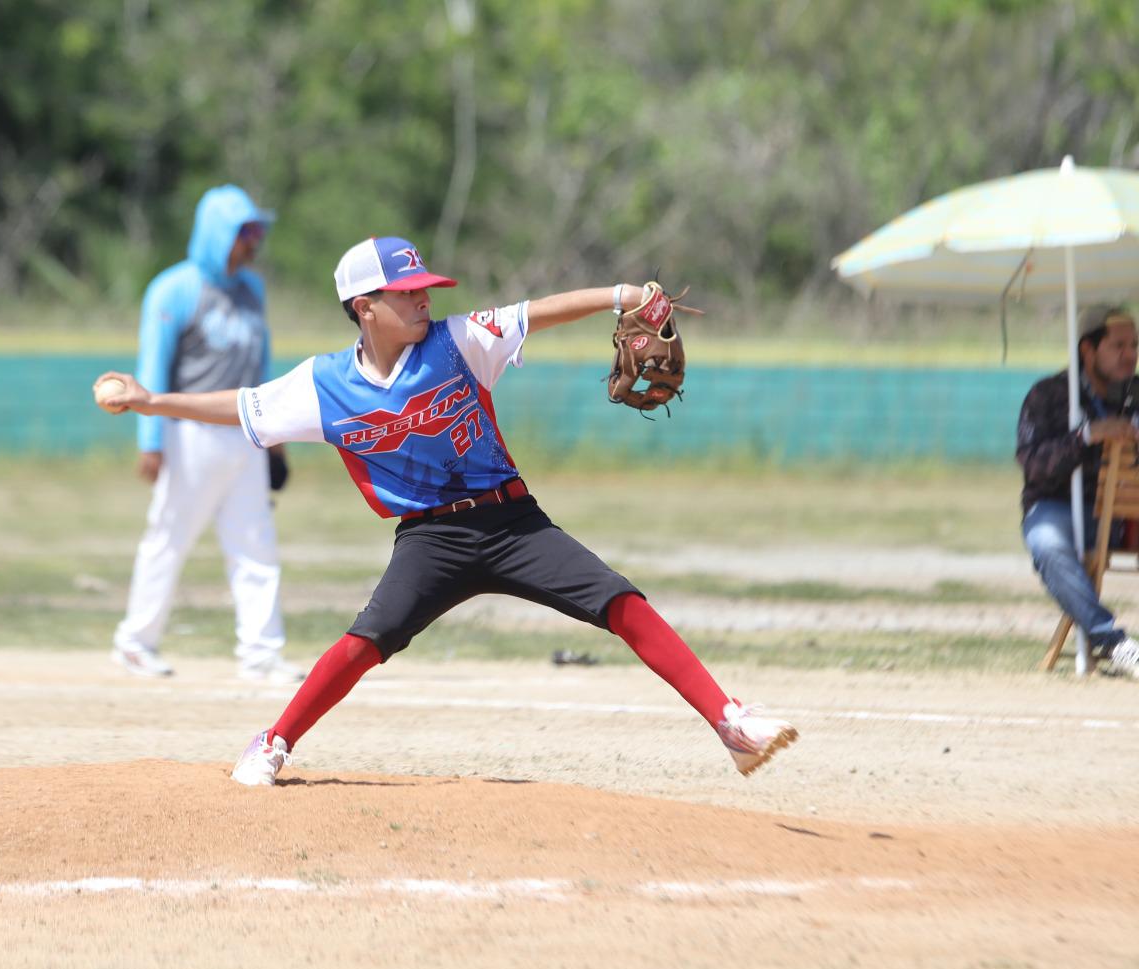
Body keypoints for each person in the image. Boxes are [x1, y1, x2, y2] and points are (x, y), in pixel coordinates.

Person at [94, 236, 799, 786]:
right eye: (406, 293)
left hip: (513, 522)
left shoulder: (459, 341)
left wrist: (622, 295)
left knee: (619, 601)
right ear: (364, 306)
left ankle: (731, 724)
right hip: (431, 539)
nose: (423, 299)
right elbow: (242, 408)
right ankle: (272, 742)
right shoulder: (325, 386)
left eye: (425, 287)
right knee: (366, 641)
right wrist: (151, 402)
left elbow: (541, 309)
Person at [110, 184, 305, 684]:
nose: (254, 241)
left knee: (255, 542)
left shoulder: (251, 290)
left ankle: (261, 653)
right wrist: (149, 442)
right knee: (169, 537)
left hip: (246, 429)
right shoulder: (175, 288)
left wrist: (276, 429)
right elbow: (152, 366)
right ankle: (136, 642)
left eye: (258, 231)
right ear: (218, 233)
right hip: (188, 433)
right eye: (245, 231)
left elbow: (260, 364)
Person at [1017, 304, 1139, 678]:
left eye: (1134, 345)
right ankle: (1112, 641)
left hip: (1127, 513)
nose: (1130, 355)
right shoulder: (1049, 395)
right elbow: (1033, 465)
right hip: (1064, 509)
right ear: (1088, 350)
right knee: (1046, 543)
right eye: (1118, 345)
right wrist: (1086, 436)